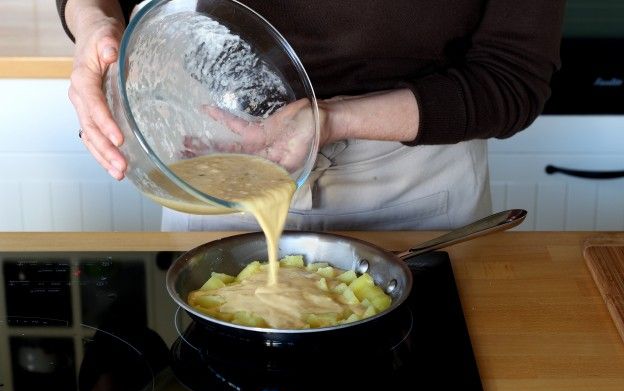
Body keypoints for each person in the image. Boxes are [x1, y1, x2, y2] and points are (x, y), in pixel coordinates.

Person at [56, 0, 566, 231]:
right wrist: (94, 23)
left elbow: (512, 78)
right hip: (211, 151)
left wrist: (332, 118)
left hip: (413, 181)